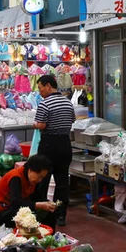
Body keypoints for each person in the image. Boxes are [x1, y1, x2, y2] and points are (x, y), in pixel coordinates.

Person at [34, 74, 75, 224]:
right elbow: (72, 121)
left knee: (42, 179)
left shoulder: (45, 104)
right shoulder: (68, 103)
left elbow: (42, 125)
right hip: (65, 144)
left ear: (48, 86)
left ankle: (42, 213)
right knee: (62, 181)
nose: (39, 92)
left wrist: (35, 125)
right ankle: (60, 215)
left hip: (49, 145)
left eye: (40, 88)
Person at [0, 154, 58, 228]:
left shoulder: (32, 180)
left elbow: (37, 197)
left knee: (49, 213)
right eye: (39, 176)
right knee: (25, 219)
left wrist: (49, 204)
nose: (40, 180)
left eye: (42, 178)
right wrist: (39, 205)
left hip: (14, 209)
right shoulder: (15, 177)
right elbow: (16, 203)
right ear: (30, 170)